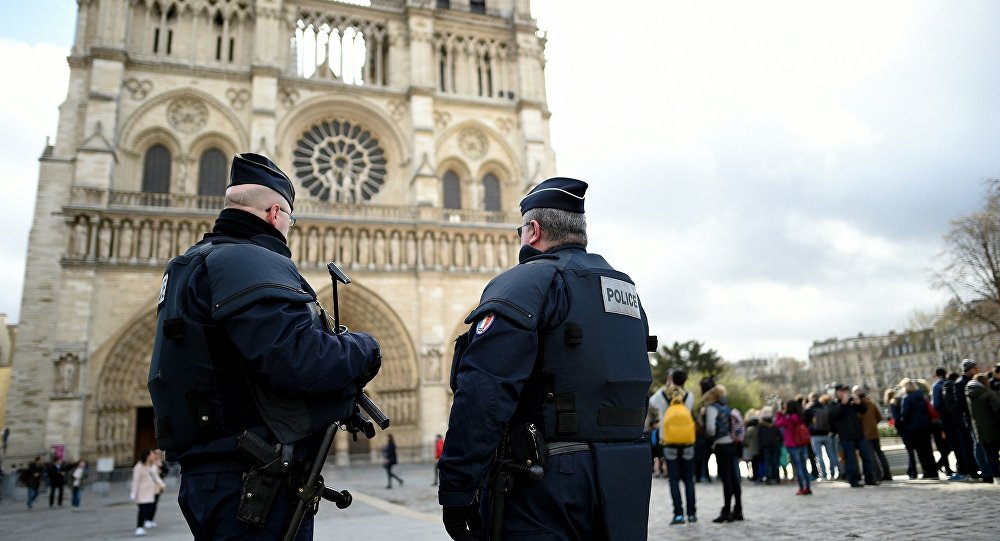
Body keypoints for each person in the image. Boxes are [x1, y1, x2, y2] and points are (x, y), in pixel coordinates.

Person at [146, 153, 382, 541]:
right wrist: (365, 347)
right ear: (275, 213)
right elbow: (296, 361)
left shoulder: (190, 263)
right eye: (290, 219)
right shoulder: (249, 260)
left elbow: (241, 368)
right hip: (252, 480)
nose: (289, 228)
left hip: (210, 475)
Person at [438, 177, 653, 541]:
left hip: (547, 484)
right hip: (625, 480)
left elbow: (483, 393)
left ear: (533, 231)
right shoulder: (624, 289)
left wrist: (457, 490)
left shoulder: (526, 283)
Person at [649, 369, 697, 525]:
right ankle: (692, 514)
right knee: (689, 480)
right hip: (687, 442)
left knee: (674, 480)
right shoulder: (689, 396)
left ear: (671, 379)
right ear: (685, 380)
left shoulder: (663, 396)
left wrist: (666, 385)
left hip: (669, 442)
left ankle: (678, 515)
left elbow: (651, 403)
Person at [701, 382, 743, 522]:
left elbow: (710, 429)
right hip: (731, 443)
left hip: (721, 445)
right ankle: (738, 509)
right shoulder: (726, 407)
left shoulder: (712, 408)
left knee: (726, 479)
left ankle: (726, 511)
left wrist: (709, 435)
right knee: (734, 478)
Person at [830, 383, 877, 487]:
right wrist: (842, 404)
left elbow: (863, 410)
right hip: (846, 436)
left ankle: (869, 479)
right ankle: (853, 480)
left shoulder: (852, 402)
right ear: (837, 393)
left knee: (867, 457)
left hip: (859, 434)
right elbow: (833, 416)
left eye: (846, 391)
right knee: (851, 459)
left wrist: (859, 403)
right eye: (842, 391)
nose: (844, 393)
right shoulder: (833, 404)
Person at [898, 380, 939, 479]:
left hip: (913, 428)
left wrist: (903, 423)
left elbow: (905, 414)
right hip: (925, 426)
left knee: (920, 451)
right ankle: (933, 471)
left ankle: (927, 471)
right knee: (928, 450)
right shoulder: (922, 396)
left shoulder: (907, 398)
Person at [966, 373, 1000, 482]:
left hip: (980, 430)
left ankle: (996, 476)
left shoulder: (970, 397)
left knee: (990, 455)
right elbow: (998, 410)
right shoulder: (989, 394)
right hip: (995, 429)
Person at [855, 385, 892, 481]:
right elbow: (879, 417)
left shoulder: (857, 407)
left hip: (865, 434)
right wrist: (872, 425)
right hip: (875, 432)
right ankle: (887, 474)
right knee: (880, 454)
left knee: (871, 456)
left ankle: (878, 476)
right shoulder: (871, 403)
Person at [775, 399, 812, 495]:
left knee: (798, 467)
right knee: (804, 467)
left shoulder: (788, 418)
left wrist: (779, 413)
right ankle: (807, 487)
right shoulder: (800, 416)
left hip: (792, 445)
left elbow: (777, 424)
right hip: (802, 443)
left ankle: (801, 488)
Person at [132, 449, 166, 536]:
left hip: (149, 492)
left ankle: (146, 522)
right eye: (151, 454)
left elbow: (156, 477)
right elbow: (135, 481)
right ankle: (139, 527)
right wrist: (133, 493)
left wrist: (162, 485)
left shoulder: (151, 466)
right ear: (147, 456)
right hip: (141, 492)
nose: (153, 456)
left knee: (148, 508)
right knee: (142, 510)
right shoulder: (139, 467)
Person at [803, 394, 838, 481]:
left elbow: (804, 422)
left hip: (815, 436)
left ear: (811, 399)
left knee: (819, 457)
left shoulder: (809, 410)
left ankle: (824, 475)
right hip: (826, 435)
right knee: (831, 455)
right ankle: (834, 473)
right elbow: (831, 421)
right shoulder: (824, 408)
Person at [929, 367, 955, 476]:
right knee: (952, 444)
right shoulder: (951, 383)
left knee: (942, 445)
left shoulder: (936, 386)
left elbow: (935, 404)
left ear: (936, 375)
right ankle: (943, 466)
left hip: (941, 419)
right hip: (953, 417)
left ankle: (945, 467)